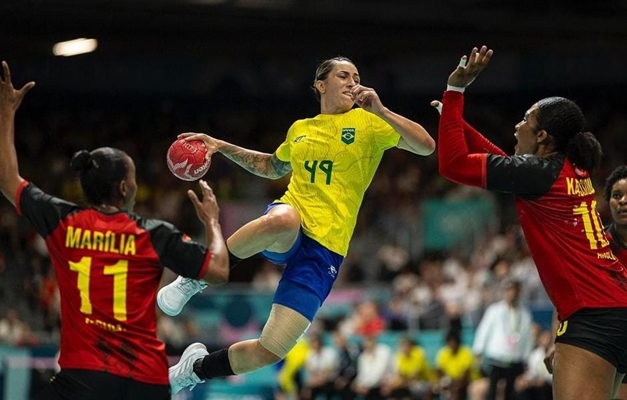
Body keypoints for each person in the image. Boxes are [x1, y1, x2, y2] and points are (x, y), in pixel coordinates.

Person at [161, 55, 436, 394]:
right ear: (321, 84)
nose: (352, 81)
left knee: (271, 349)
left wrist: (381, 110)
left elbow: (426, 146)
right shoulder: (300, 129)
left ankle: (194, 370)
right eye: (342, 76)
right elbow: (272, 167)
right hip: (292, 222)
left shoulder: (370, 125)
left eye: (356, 76)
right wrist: (220, 146)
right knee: (284, 218)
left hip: (326, 251)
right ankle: (195, 277)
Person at [0, 61, 229, 399]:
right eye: (134, 181)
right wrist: (211, 220)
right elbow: (220, 270)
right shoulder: (153, 232)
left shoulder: (63, 221)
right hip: (146, 383)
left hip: (82, 380)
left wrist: (6, 113)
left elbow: (8, 180)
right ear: (124, 189)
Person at [434, 45, 627, 400]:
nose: (517, 125)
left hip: (594, 317)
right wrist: (454, 118)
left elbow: (453, 165)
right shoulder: (571, 168)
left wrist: (456, 90)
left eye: (526, 120)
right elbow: (504, 164)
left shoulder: (541, 173)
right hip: (616, 308)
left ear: (542, 137)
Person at [472, 279, 533, 400]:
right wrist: (478, 350)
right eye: (509, 290)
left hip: (514, 357)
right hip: (496, 356)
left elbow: (527, 337)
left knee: (510, 392)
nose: (512, 293)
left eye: (515, 290)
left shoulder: (524, 314)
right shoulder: (494, 310)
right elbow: (484, 330)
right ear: (505, 292)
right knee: (492, 390)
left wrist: (526, 357)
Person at [603, 165, 627, 400]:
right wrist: (554, 341)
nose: (623, 202)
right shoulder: (596, 243)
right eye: (616, 196)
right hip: (608, 343)